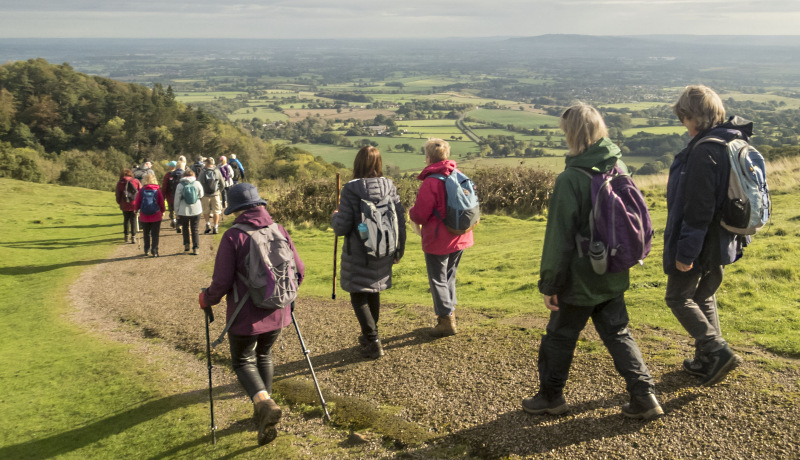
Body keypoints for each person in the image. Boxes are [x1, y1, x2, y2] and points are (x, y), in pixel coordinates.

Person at [523, 103, 662, 419]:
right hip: (613, 273)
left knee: (559, 337)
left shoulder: (570, 179)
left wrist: (550, 283)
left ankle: (551, 397)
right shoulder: (619, 166)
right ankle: (645, 396)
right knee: (618, 334)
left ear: (570, 134)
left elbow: (558, 240)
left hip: (580, 279)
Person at [199, 183, 305, 446]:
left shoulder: (233, 236)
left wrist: (206, 299)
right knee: (264, 354)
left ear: (236, 209)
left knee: (243, 360)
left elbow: (221, 282)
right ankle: (265, 410)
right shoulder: (278, 229)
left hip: (245, 315)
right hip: (278, 312)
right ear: (259, 204)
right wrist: (283, 297)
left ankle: (264, 404)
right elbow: (299, 271)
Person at [665, 85, 746, 386]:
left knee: (677, 297)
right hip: (724, 239)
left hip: (702, 241)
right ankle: (707, 360)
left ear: (692, 117)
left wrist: (685, 254)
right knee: (704, 296)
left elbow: (698, 209)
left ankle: (717, 350)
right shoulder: (730, 141)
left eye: (684, 118)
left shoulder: (703, 151)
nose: (683, 125)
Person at [331, 146, 406, 358]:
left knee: (359, 294)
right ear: (378, 163)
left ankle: (372, 341)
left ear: (358, 163)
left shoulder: (350, 189)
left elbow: (342, 227)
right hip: (384, 250)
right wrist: (398, 249)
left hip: (359, 252)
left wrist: (334, 215)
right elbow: (399, 219)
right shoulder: (389, 185)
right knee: (374, 290)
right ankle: (370, 335)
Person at [409, 138, 473, 337]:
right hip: (460, 234)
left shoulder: (431, 182)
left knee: (437, 278)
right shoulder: (459, 175)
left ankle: (445, 320)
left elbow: (420, 214)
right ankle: (450, 312)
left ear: (428, 158)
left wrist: (410, 212)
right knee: (449, 276)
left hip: (438, 239)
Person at [134, 172, 166, 257]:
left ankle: (146, 249)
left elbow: (138, 202)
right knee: (155, 234)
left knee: (146, 233)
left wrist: (136, 209)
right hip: (156, 215)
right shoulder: (157, 191)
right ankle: (154, 250)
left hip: (144, 216)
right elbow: (161, 203)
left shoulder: (142, 190)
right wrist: (163, 211)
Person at [174, 169, 204, 255]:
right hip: (196, 209)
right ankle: (196, 247)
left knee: (185, 227)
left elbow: (177, 200)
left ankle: (187, 244)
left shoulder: (180, 185)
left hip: (183, 210)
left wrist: (177, 212)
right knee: (195, 228)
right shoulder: (197, 183)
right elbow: (201, 194)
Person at [199, 157, 226, 234]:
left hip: (205, 195)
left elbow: (199, 183)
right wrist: (218, 191)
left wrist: (201, 193)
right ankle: (215, 227)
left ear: (207, 163)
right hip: (215, 195)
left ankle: (208, 224)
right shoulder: (217, 171)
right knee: (216, 211)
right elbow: (222, 184)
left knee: (206, 210)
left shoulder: (203, 172)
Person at [115, 168, 141, 244]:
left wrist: (119, 202)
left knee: (126, 219)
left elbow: (118, 194)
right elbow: (140, 191)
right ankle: (133, 236)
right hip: (134, 203)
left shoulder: (120, 182)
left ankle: (126, 235)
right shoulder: (136, 181)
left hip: (124, 203)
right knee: (133, 219)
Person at [162, 160, 183, 230]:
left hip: (170, 196)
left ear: (172, 167)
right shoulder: (182, 174)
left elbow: (165, 186)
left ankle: (173, 220)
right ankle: (179, 223)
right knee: (179, 210)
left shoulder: (168, 175)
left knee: (172, 210)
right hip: (180, 196)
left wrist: (163, 196)